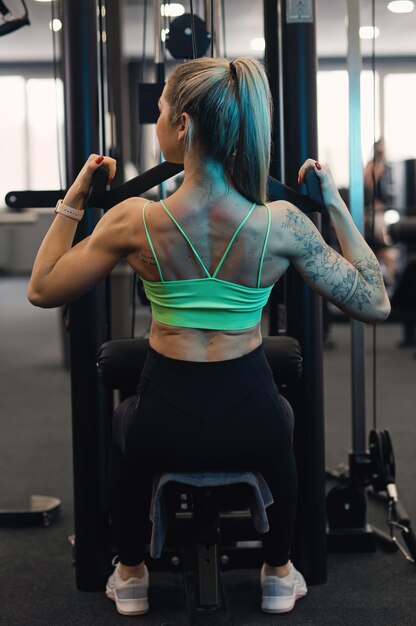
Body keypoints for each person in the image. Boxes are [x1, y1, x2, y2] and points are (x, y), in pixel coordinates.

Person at [28, 56, 390, 617]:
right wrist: (336, 203)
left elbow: (43, 288)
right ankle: (278, 572)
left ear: (184, 125)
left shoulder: (131, 220)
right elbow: (376, 301)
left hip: (160, 431)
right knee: (283, 421)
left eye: (159, 112)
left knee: (126, 425)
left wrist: (75, 198)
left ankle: (130, 574)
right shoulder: (282, 223)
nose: (157, 123)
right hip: (254, 427)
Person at [364, 138, 398, 285]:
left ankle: (390, 271)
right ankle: (391, 269)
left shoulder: (387, 166)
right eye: (380, 148)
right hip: (373, 210)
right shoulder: (371, 165)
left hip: (384, 210)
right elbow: (367, 186)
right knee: (379, 241)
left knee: (384, 241)